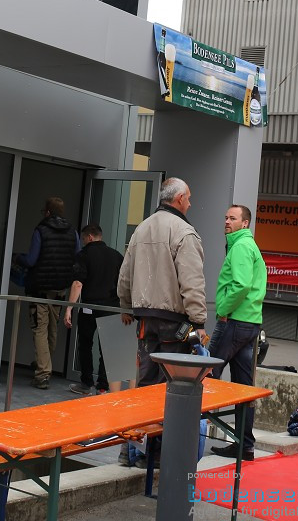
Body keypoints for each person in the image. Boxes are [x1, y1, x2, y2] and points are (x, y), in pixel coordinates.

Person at [117, 177, 208, 388]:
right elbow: (192, 282)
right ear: (179, 198)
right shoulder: (184, 232)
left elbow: (125, 275)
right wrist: (199, 322)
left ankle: (145, 420)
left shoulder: (141, 229)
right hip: (174, 322)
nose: (190, 204)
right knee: (172, 380)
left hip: (145, 320)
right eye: (189, 199)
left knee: (147, 376)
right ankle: (164, 421)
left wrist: (126, 306)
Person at [209, 204, 267, 462]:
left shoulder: (241, 246)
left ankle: (187, 438)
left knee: (205, 376)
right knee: (244, 388)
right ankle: (245, 445)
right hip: (248, 323)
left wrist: (222, 308)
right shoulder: (247, 245)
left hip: (233, 320)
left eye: (232, 218)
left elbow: (241, 285)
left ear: (245, 223)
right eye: (225, 217)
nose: (226, 221)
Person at [19, 197, 80, 390]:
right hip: (60, 289)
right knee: (52, 331)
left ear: (47, 212)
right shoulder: (73, 232)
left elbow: (31, 260)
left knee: (39, 329)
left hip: (40, 289)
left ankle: (43, 373)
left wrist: (18, 259)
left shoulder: (41, 230)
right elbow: (77, 256)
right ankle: (44, 364)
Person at [64, 224, 123, 396]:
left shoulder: (83, 255)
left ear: (89, 237)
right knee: (107, 348)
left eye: (83, 239)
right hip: (111, 307)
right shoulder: (116, 256)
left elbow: (77, 283)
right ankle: (103, 386)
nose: (83, 242)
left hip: (89, 307)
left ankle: (86, 383)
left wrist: (69, 309)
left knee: (85, 345)